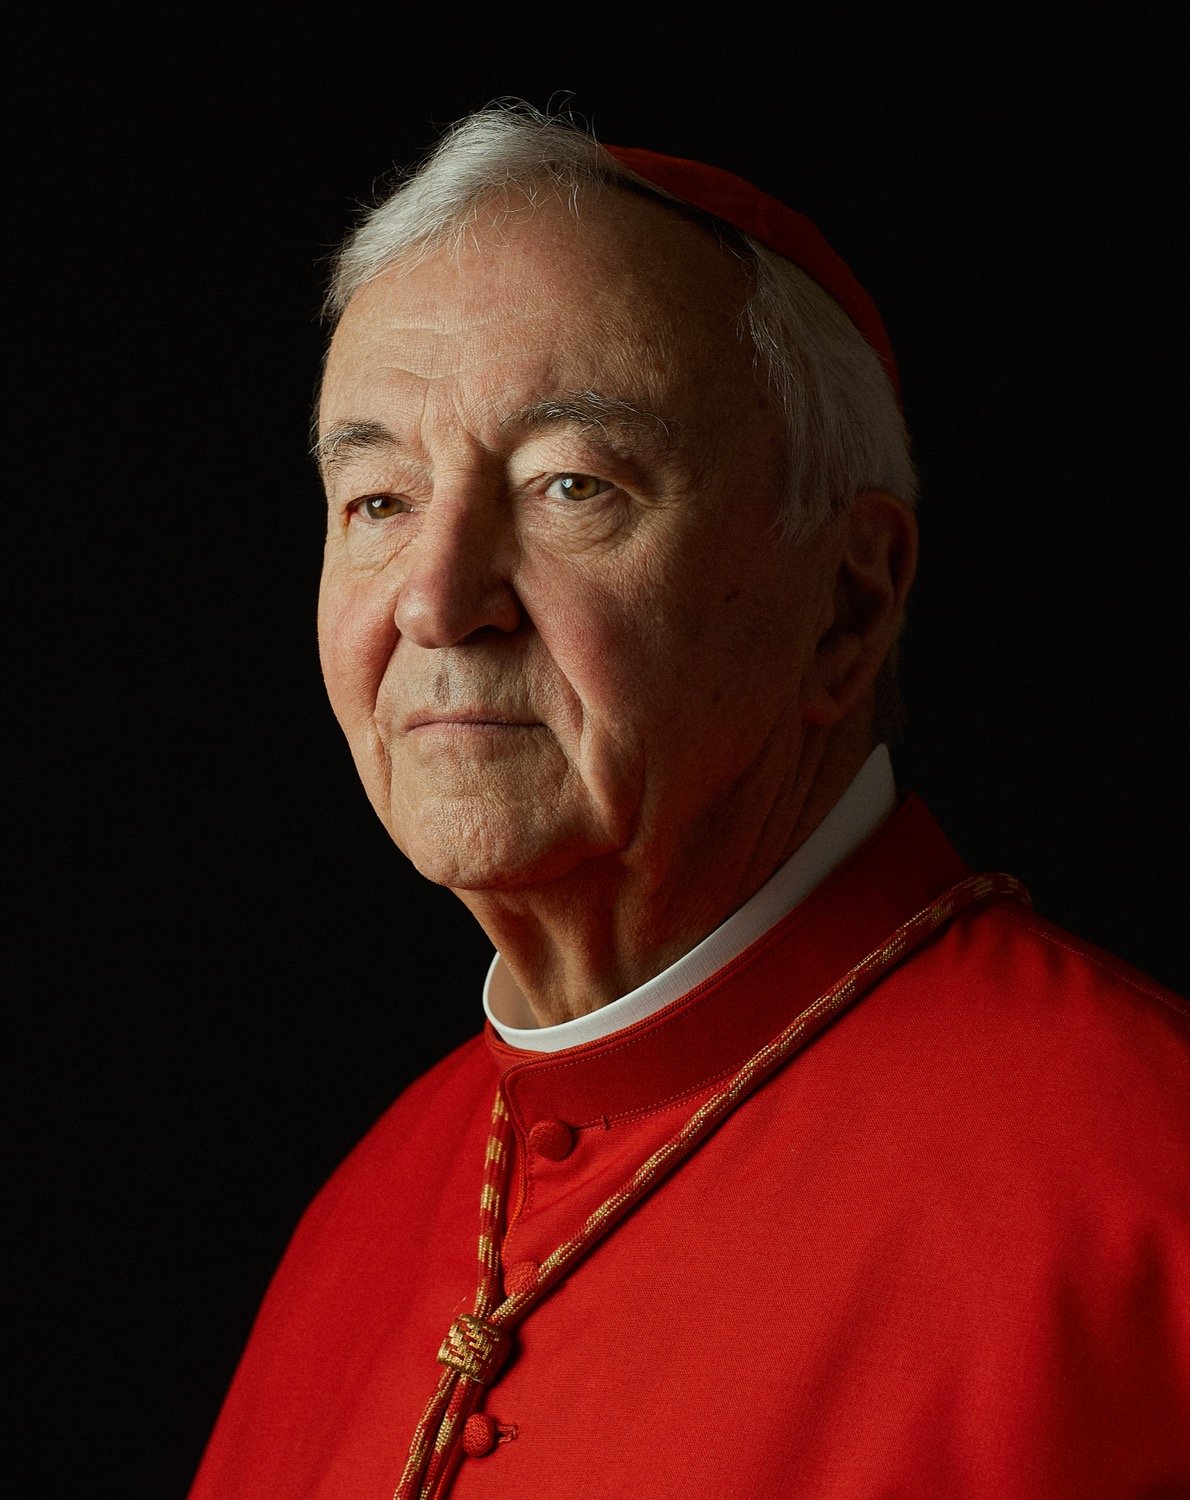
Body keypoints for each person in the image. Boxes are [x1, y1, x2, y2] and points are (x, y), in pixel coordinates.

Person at [190, 103, 1190, 1499]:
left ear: (845, 607)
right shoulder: (365, 1206)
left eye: (568, 486)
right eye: (376, 499)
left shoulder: (1146, 1186)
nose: (434, 596)